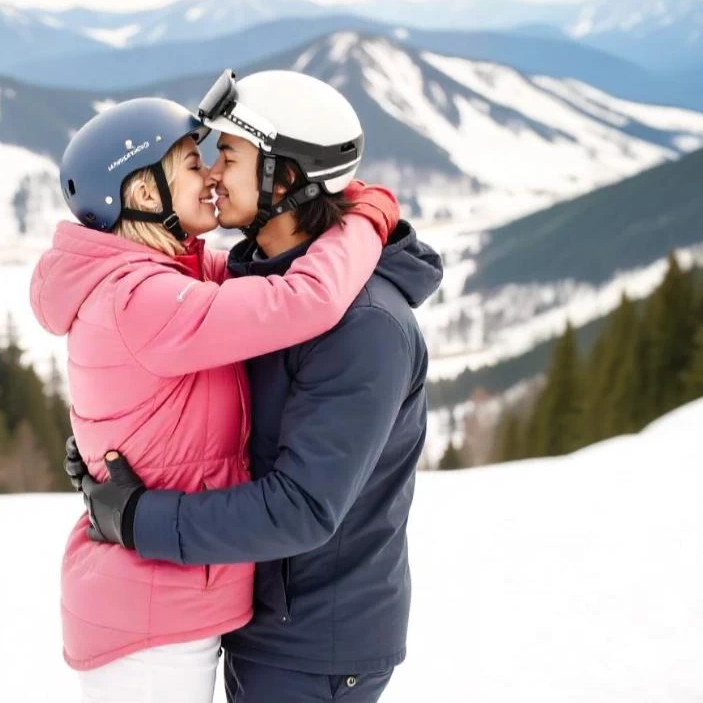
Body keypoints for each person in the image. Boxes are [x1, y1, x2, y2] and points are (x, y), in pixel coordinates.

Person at [65, 71, 444, 703]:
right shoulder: (254, 285)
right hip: (258, 615)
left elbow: (303, 507)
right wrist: (113, 435)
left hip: (316, 642)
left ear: (285, 178)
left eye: (229, 155)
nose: (212, 173)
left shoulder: (364, 327)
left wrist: (138, 518)